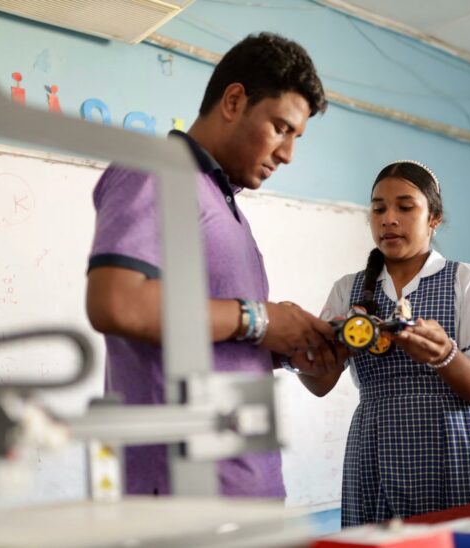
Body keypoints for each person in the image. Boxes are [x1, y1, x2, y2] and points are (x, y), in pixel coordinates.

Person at [85, 32, 347, 498]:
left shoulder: (226, 209)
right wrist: (260, 319)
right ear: (233, 101)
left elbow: (218, 340)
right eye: (281, 128)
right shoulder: (157, 170)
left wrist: (290, 348)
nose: (288, 154)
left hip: (248, 492)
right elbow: (117, 303)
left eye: (296, 138)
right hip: (182, 501)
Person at [289, 160, 470, 525]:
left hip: (457, 447)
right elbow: (319, 384)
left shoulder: (466, 280)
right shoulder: (347, 290)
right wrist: (304, 348)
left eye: (405, 207)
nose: (389, 219)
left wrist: (444, 355)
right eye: (378, 209)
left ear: (434, 218)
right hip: (376, 450)